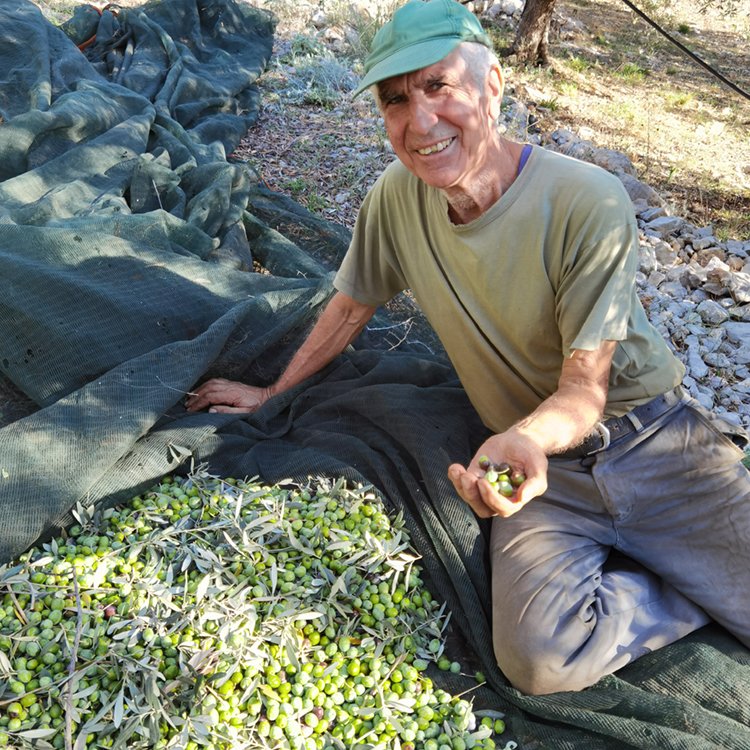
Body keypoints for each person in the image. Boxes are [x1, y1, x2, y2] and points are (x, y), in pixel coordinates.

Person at [186, 0, 750, 695]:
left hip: (648, 441)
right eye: (395, 100)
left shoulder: (585, 201)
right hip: (535, 473)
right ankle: (686, 589)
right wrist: (274, 394)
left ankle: (695, 562)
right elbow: (350, 305)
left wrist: (527, 438)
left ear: (492, 88)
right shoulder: (395, 200)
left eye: (437, 86)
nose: (418, 122)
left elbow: (585, 389)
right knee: (538, 660)